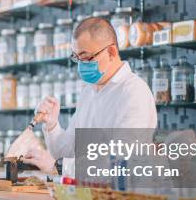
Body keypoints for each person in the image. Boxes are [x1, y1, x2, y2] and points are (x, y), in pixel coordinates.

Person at [23, 17, 157, 173]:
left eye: (86, 58)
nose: (81, 65)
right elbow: (67, 152)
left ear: (111, 52)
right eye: (76, 58)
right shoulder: (89, 91)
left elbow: (119, 160)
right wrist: (52, 125)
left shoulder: (134, 92)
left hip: (121, 193)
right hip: (86, 192)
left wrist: (58, 166)